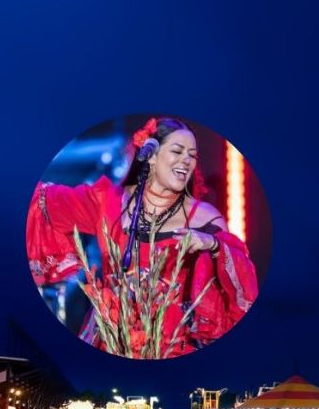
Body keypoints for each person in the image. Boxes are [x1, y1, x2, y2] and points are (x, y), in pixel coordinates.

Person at [26, 117, 259, 359]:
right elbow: (43, 203)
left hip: (170, 347)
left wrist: (212, 245)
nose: (187, 160)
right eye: (177, 151)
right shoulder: (108, 201)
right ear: (151, 155)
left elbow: (241, 278)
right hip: (109, 340)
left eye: (192, 155)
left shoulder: (204, 217)